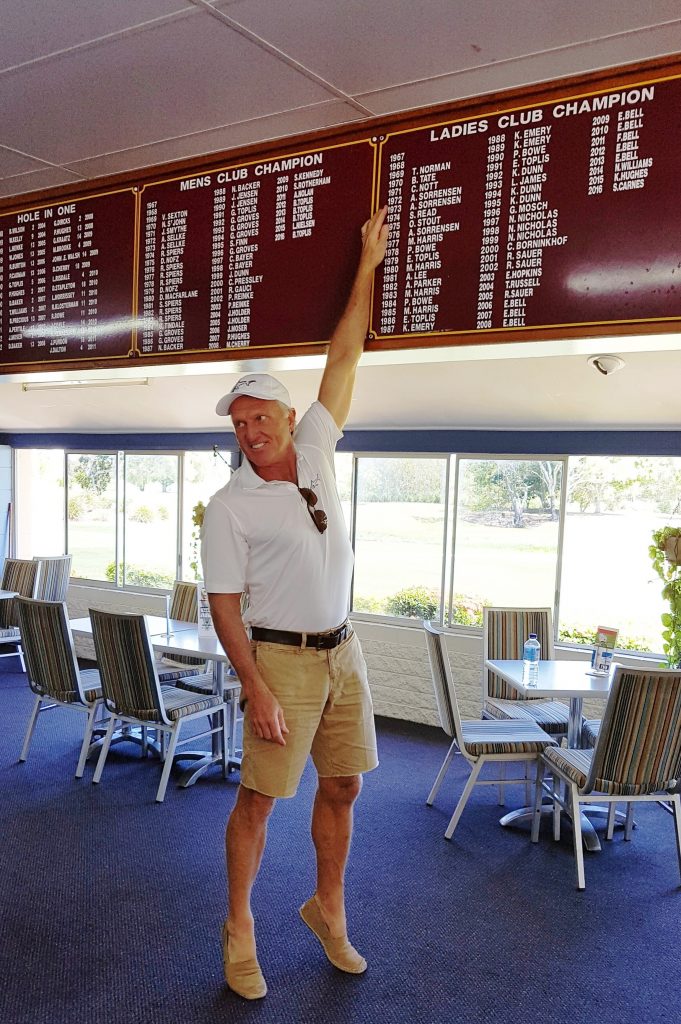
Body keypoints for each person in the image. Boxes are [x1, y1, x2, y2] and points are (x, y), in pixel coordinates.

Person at [201, 207, 389, 1000]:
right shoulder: (229, 506)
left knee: (343, 786)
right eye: (238, 424)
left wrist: (368, 264)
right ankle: (239, 928)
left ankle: (327, 907)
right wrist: (255, 684)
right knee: (259, 799)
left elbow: (344, 354)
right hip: (278, 658)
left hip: (343, 651)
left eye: (258, 418)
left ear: (287, 416)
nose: (249, 432)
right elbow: (222, 606)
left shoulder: (315, 448)